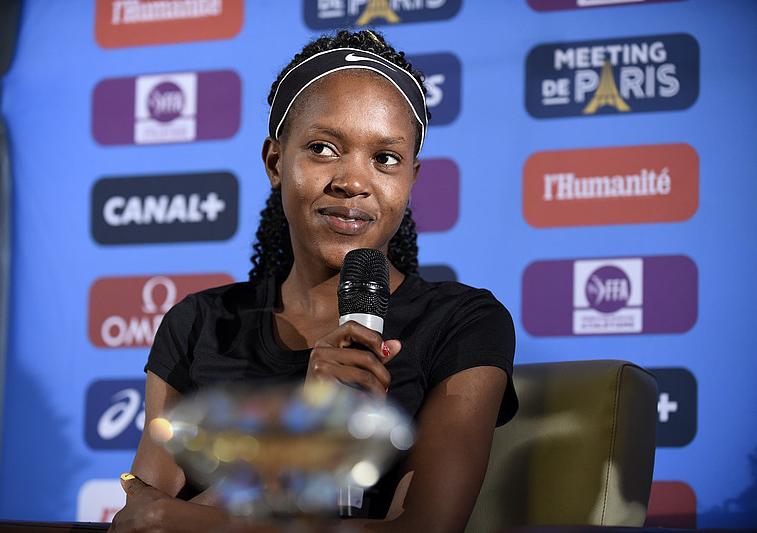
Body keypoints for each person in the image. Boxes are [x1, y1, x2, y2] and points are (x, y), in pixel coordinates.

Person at [109, 29, 517, 533]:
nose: (353, 182)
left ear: (411, 178)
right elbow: (142, 518)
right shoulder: (199, 322)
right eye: (323, 148)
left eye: (385, 159)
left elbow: (424, 529)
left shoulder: (464, 323)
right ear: (275, 162)